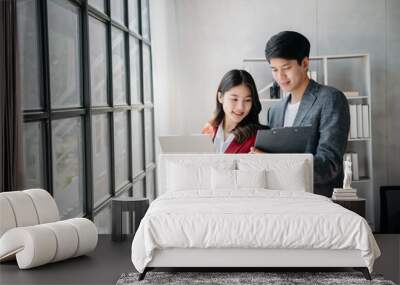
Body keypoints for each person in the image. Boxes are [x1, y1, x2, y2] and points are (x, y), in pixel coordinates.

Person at [254, 31, 350, 197]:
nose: (280, 77)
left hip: (317, 202)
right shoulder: (275, 111)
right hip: (281, 200)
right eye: (274, 70)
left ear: (305, 63)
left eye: (286, 68)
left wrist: (272, 161)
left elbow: (330, 165)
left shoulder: (330, 99)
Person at [202, 69, 267, 153]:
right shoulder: (208, 130)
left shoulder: (259, 137)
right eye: (234, 99)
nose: (240, 107)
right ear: (220, 97)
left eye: (247, 100)